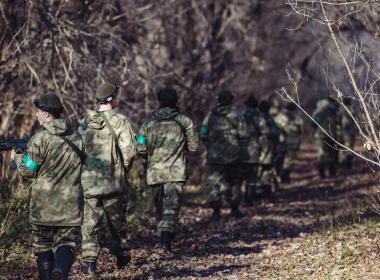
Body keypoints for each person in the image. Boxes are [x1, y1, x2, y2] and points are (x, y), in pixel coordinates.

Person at [11, 93, 84, 280]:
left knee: (43, 245)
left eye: (38, 111)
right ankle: (59, 270)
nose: (36, 115)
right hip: (70, 203)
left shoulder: (40, 139)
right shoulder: (77, 137)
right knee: (67, 242)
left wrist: (17, 157)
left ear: (47, 113)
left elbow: (28, 170)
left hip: (43, 204)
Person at [80, 83, 137, 274]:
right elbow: (129, 151)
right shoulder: (120, 120)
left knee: (90, 224)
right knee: (117, 223)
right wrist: (123, 169)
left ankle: (90, 264)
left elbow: (78, 151)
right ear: (112, 99)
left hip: (89, 182)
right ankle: (122, 259)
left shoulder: (84, 122)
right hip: (113, 182)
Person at [137, 87, 198, 252]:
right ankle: (166, 239)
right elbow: (194, 147)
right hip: (175, 172)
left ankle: (165, 239)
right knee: (170, 208)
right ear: (175, 101)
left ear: (159, 101)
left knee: (160, 209)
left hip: (155, 173)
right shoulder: (185, 122)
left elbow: (140, 147)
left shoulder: (147, 124)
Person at [200, 90, 248, 221]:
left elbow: (203, 131)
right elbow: (244, 134)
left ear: (218, 100)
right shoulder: (237, 115)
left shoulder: (210, 115)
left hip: (214, 156)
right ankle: (235, 208)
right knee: (234, 182)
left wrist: (210, 144)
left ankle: (216, 211)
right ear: (231, 100)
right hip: (233, 155)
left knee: (214, 182)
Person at [240, 95, 269, 205]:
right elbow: (265, 133)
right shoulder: (259, 117)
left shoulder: (238, 115)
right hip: (253, 151)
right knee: (251, 177)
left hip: (238, 151)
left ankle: (236, 200)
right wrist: (264, 150)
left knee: (238, 177)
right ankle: (249, 198)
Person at [311, 96, 342, 178]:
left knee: (321, 153)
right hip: (332, 134)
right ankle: (332, 172)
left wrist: (317, 129)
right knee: (333, 153)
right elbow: (340, 119)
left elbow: (312, 121)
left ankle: (322, 173)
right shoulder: (335, 108)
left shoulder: (319, 108)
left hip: (320, 134)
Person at [273, 103, 303, 183]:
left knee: (280, 159)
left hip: (281, 142)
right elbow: (301, 131)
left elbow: (275, 130)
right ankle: (285, 177)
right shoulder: (297, 118)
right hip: (292, 142)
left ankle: (281, 176)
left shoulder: (278, 118)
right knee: (288, 161)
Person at [258, 100, 281, 195]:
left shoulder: (256, 118)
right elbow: (276, 133)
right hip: (267, 147)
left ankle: (256, 188)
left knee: (257, 167)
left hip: (254, 147)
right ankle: (265, 187)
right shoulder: (270, 119)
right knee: (266, 168)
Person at [339, 97, 356, 170]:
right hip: (350, 133)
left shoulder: (339, 109)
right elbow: (356, 120)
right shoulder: (352, 110)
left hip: (340, 132)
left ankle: (341, 163)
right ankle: (348, 165)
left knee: (341, 148)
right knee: (350, 149)